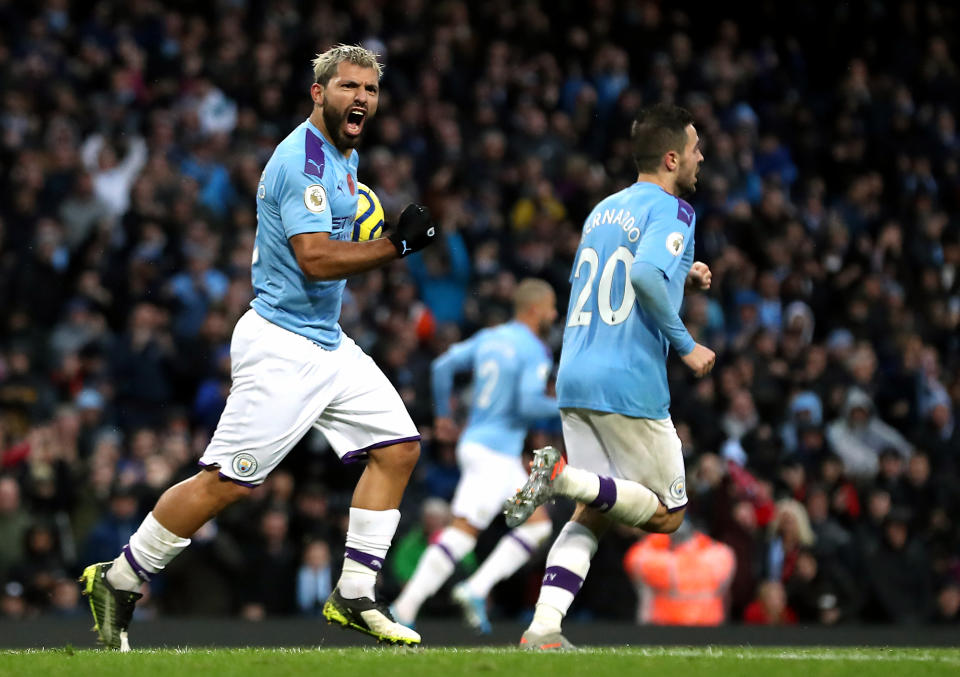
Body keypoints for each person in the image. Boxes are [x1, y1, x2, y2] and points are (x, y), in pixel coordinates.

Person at [78, 44, 437, 651]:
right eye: (348, 87)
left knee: (398, 448)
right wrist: (396, 246)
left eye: (370, 90)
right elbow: (316, 258)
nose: (361, 99)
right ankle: (119, 578)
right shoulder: (302, 159)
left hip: (327, 342)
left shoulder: (343, 157)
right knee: (226, 483)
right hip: (281, 345)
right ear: (318, 93)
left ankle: (353, 592)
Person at [502, 103, 714, 650]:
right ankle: (562, 477)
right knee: (667, 516)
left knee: (594, 513)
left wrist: (682, 271)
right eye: (694, 149)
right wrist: (686, 346)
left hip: (575, 372)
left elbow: (619, 272)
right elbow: (642, 274)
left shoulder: (603, 210)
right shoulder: (676, 211)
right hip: (629, 380)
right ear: (671, 158)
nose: (701, 158)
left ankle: (543, 629)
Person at [391, 278, 559, 633]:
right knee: (462, 535)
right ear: (535, 309)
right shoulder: (533, 350)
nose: (554, 313)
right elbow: (528, 403)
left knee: (538, 525)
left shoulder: (489, 338)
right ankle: (407, 607)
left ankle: (473, 588)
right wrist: (569, 407)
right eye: (551, 307)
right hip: (493, 455)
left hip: (488, 450)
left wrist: (442, 417)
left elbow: (441, 368)